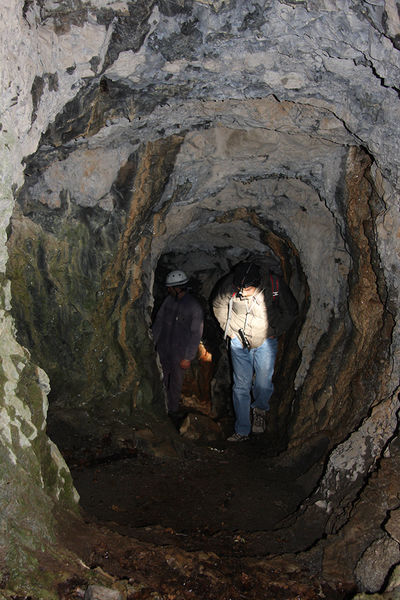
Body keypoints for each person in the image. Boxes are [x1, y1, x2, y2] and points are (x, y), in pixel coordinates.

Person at [212, 261, 298, 442]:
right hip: (238, 341)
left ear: (257, 284)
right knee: (240, 386)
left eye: (247, 289)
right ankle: (242, 430)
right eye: (240, 288)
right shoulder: (230, 285)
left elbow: (290, 311)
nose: (242, 292)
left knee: (263, 383)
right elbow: (218, 305)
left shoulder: (274, 285)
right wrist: (230, 332)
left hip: (265, 341)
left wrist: (275, 331)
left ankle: (259, 409)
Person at [152, 270, 204, 416]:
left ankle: (172, 411)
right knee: (160, 378)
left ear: (178, 288)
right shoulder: (168, 301)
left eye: (170, 288)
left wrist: (188, 357)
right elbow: (159, 322)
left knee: (175, 382)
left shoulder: (194, 307)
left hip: (179, 352)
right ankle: (159, 408)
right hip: (163, 348)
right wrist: (153, 343)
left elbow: (196, 334)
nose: (168, 290)